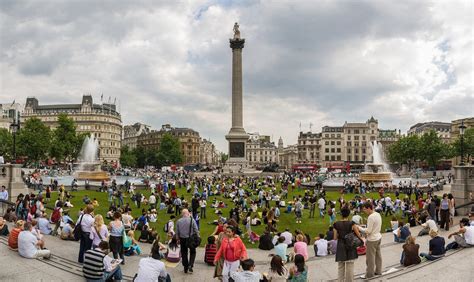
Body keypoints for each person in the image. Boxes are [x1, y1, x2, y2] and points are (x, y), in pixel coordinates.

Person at [334, 206, 362, 282]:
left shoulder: (336, 224)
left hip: (341, 245)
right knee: (350, 266)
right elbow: (358, 234)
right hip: (350, 245)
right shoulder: (352, 223)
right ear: (349, 214)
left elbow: (335, 237)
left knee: (340, 266)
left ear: (341, 214)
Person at [358, 202, 382, 279]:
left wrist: (359, 228)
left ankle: (369, 274)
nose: (364, 211)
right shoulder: (377, 214)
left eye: (365, 209)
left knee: (370, 258)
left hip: (372, 239)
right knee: (378, 255)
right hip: (378, 237)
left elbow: (368, 231)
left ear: (369, 208)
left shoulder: (371, 217)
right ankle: (378, 271)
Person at [176, 209, 199, 274]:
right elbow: (196, 229)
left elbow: (177, 232)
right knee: (193, 251)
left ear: (182, 214)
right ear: (188, 213)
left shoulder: (178, 221)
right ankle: (190, 265)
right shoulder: (192, 220)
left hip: (182, 238)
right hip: (190, 238)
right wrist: (198, 236)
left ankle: (185, 267)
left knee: (184, 253)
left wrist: (177, 239)